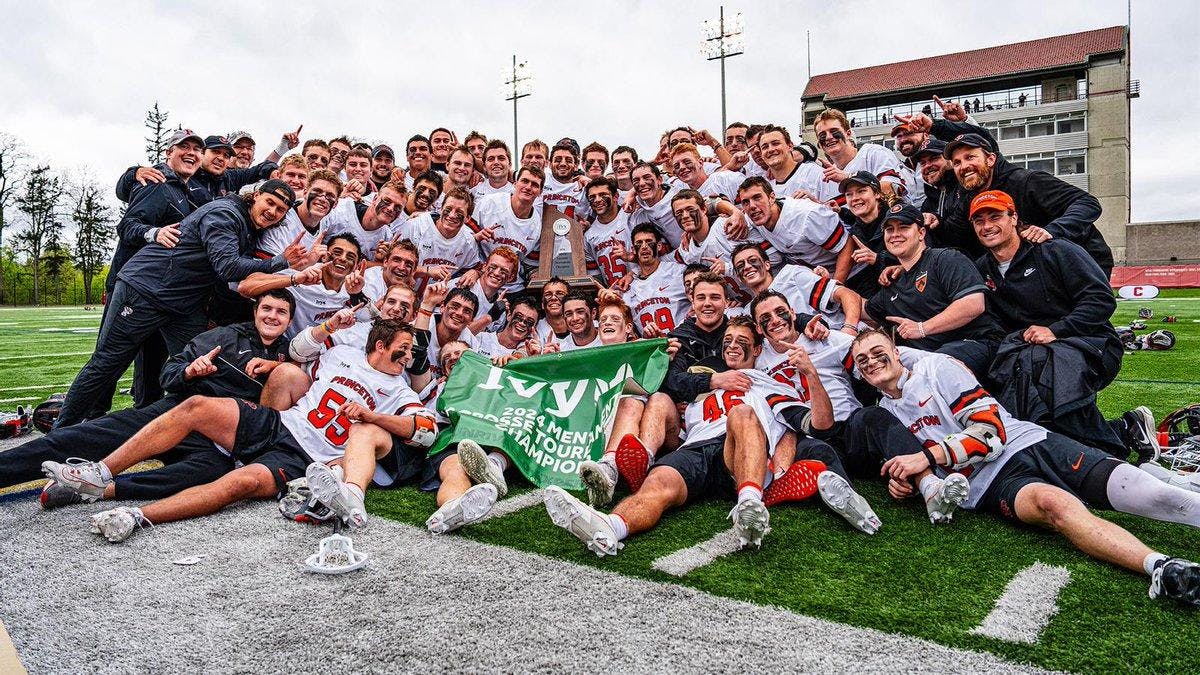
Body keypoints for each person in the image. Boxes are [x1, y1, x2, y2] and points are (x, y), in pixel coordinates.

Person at [852, 329, 1200, 608]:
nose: (872, 362)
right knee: (1056, 507)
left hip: (1030, 443)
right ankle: (1162, 568)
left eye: (879, 351)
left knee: (1150, 493)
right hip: (989, 484)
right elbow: (921, 471)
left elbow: (991, 433)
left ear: (897, 352)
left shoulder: (937, 368)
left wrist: (927, 458)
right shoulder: (885, 414)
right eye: (862, 360)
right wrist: (907, 483)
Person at [44, 320, 438, 542]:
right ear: (380, 344)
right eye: (402, 349)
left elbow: (424, 431)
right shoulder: (341, 354)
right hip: (279, 421)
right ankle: (101, 473)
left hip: (305, 457)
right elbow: (299, 354)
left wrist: (373, 415)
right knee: (196, 406)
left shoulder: (399, 390)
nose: (409, 357)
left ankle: (136, 517)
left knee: (239, 484)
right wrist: (275, 365)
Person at [545, 317, 813, 555]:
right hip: (694, 446)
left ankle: (750, 506)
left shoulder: (767, 383)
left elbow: (794, 428)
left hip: (735, 454)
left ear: (756, 349)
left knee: (742, 413)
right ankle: (610, 528)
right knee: (658, 484)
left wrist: (779, 471)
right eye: (728, 340)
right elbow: (667, 389)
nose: (731, 345)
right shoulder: (703, 382)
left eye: (741, 341)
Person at [1, 290, 294, 503]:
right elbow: (169, 373)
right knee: (81, 437)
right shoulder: (224, 336)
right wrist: (190, 371)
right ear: (255, 311)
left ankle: (101, 490)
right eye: (267, 308)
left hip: (215, 434)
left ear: (290, 320)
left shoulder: (292, 356)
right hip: (176, 412)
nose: (272, 316)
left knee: (211, 472)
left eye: (281, 312)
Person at [56, 181, 307, 428]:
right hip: (145, 289)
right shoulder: (225, 213)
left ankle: (184, 432)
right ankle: (61, 433)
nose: (272, 212)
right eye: (269, 203)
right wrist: (282, 262)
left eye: (280, 210)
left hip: (183, 304)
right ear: (256, 196)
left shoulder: (250, 225)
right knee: (107, 363)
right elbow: (228, 267)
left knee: (200, 364)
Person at [970, 190, 1156, 459]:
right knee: (1016, 373)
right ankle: (1124, 430)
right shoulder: (982, 269)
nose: (987, 226)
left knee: (1043, 367)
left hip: (1091, 344)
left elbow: (1101, 301)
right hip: (1031, 351)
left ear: (1014, 218)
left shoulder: (1056, 250)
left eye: (995, 216)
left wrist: (1056, 330)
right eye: (979, 221)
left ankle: (1105, 454)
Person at [862, 203, 1002, 378]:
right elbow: (862, 308)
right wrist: (826, 285)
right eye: (889, 230)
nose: (895, 234)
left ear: (921, 233)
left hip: (977, 344)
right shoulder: (893, 282)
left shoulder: (946, 258)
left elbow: (973, 304)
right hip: (931, 361)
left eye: (904, 227)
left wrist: (922, 328)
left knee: (933, 367)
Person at [943, 133, 1113, 276]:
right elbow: (954, 234)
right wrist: (933, 222)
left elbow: (1087, 203)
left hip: (1083, 258)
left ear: (990, 159)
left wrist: (1052, 230)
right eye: (957, 162)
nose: (963, 166)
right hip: (1034, 264)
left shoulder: (1026, 181)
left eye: (970, 157)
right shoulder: (969, 198)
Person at [238, 233, 365, 338]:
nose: (343, 258)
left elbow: (368, 320)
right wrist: (294, 279)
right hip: (280, 346)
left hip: (316, 355)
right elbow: (244, 287)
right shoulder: (303, 277)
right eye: (337, 252)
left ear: (356, 265)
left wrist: (356, 295)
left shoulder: (353, 289)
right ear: (325, 256)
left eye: (350, 256)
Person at [670, 188, 777, 305]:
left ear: (704, 209)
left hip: (777, 290)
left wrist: (728, 268)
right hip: (748, 306)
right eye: (679, 213)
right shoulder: (686, 250)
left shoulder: (729, 226)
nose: (685, 216)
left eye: (690, 210)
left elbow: (775, 256)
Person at [731, 242, 862, 335]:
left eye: (753, 260)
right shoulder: (749, 311)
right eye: (741, 265)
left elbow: (846, 294)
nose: (747, 267)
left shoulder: (791, 275)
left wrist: (849, 329)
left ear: (767, 264)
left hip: (839, 335)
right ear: (738, 276)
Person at [734, 176, 848, 274]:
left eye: (757, 197)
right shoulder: (752, 217)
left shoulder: (805, 215)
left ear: (772, 197)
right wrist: (735, 213)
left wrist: (836, 285)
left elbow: (847, 245)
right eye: (745, 202)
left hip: (852, 272)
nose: (752, 206)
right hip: (817, 274)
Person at [811, 108, 907, 205]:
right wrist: (817, 205)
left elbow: (894, 190)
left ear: (848, 134)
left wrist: (850, 178)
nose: (828, 137)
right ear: (819, 144)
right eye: (822, 135)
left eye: (834, 131)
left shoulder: (874, 153)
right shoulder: (824, 178)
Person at [471, 165, 544, 291]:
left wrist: (533, 274)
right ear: (515, 184)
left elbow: (527, 263)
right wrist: (477, 237)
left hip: (513, 287)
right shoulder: (489, 203)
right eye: (525, 181)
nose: (528, 187)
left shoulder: (537, 223)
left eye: (535, 185)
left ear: (540, 193)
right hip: (481, 279)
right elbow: (464, 238)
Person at [620, 223, 690, 335]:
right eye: (639, 243)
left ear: (659, 246)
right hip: (653, 350)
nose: (644, 246)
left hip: (683, 343)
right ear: (633, 249)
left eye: (649, 242)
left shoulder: (678, 272)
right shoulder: (628, 289)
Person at [256, 167, 341, 257]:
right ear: (305, 193)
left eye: (330, 195)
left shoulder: (328, 221)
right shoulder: (280, 219)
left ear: (335, 204)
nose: (322, 198)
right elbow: (265, 267)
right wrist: (306, 264)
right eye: (317, 191)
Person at [323, 179, 406, 261]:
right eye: (387, 201)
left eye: (398, 207)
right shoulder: (341, 210)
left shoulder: (386, 237)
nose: (391, 209)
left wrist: (378, 260)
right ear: (375, 199)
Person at [582, 176, 634, 287]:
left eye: (602, 195)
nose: (597, 200)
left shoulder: (631, 218)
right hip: (614, 295)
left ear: (615, 197)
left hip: (642, 287)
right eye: (592, 197)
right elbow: (595, 276)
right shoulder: (588, 235)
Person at [757, 125, 823, 199]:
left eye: (776, 143)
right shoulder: (764, 190)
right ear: (761, 154)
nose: (771, 149)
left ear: (790, 146)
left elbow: (835, 208)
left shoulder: (815, 173)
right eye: (765, 147)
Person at [472, 296, 542, 363]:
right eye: (518, 317)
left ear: (534, 327)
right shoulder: (482, 337)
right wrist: (488, 318)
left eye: (529, 322)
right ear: (509, 315)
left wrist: (532, 358)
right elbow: (462, 336)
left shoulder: (529, 351)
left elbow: (522, 353)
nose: (522, 323)